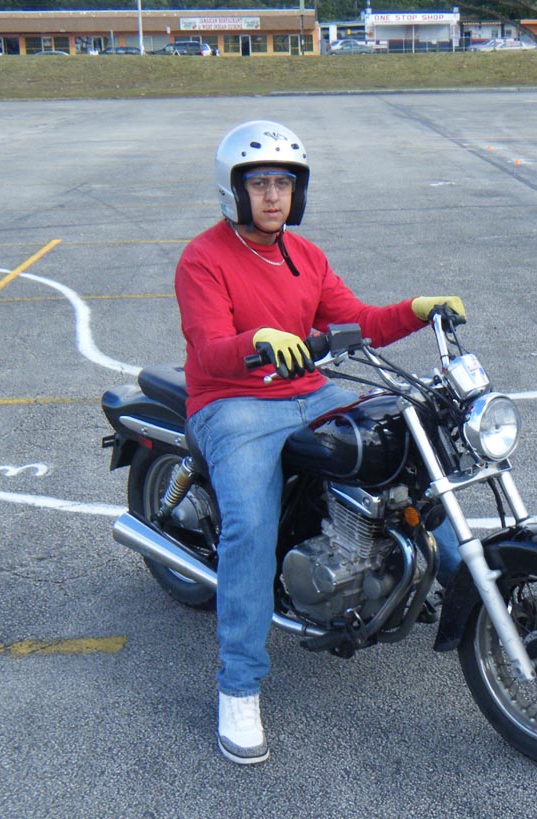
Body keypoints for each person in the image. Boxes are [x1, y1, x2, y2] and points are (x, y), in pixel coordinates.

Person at [174, 120, 464, 765]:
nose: (272, 195)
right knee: (250, 526)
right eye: (259, 183)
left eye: (283, 183)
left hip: (309, 389)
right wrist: (255, 341)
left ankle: (463, 582)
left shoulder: (305, 255)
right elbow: (209, 348)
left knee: (409, 453)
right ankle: (239, 686)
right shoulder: (202, 258)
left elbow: (355, 320)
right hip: (232, 403)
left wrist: (416, 309)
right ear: (234, 190)